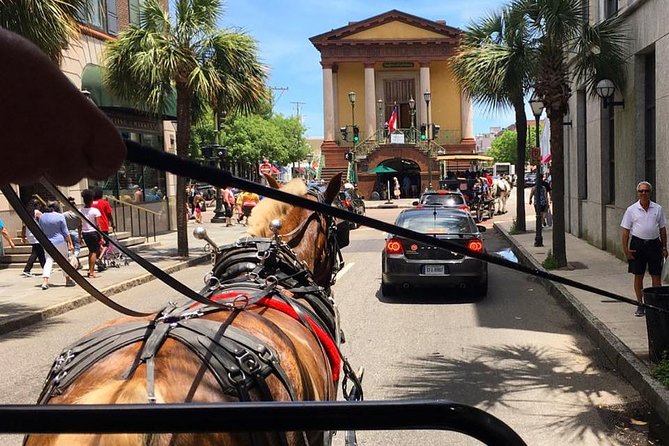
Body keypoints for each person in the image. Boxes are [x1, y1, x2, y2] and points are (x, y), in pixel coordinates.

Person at [621, 181, 668, 317]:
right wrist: (626, 250)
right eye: (641, 191)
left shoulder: (658, 209)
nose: (643, 193)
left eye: (646, 191)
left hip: (654, 245)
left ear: (650, 192)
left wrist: (664, 247)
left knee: (656, 275)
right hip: (638, 245)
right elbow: (625, 232)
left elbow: (662, 229)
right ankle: (640, 305)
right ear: (638, 193)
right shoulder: (631, 210)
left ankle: (655, 305)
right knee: (638, 275)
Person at [38, 201, 74, 290]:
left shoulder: (42, 217)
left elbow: (41, 229)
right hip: (60, 241)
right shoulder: (59, 216)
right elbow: (65, 232)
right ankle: (67, 279)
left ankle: (45, 281)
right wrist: (70, 243)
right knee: (64, 260)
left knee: (48, 260)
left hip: (48, 242)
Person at [79, 189, 102, 279]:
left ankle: (90, 269)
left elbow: (79, 224)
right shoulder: (95, 211)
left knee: (90, 251)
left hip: (85, 233)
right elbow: (97, 224)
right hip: (93, 232)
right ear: (92, 199)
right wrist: (101, 235)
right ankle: (92, 272)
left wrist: (79, 236)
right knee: (94, 252)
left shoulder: (80, 210)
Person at [20, 199, 45, 277]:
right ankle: (27, 269)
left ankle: (45, 268)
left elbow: (23, 226)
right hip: (37, 234)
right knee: (36, 252)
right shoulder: (37, 213)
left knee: (39, 252)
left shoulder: (26, 214)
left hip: (30, 234)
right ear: (37, 205)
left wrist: (23, 236)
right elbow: (43, 222)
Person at [92, 187, 114, 271]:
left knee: (97, 245)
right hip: (103, 226)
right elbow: (109, 214)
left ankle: (100, 263)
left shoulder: (91, 203)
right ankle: (100, 258)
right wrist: (112, 223)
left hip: (93, 226)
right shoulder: (105, 203)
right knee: (106, 244)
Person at [63, 197, 83, 270]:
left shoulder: (64, 215)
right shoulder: (77, 215)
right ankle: (73, 260)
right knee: (77, 248)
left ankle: (77, 263)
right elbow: (80, 226)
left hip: (67, 232)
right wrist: (80, 236)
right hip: (75, 232)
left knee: (71, 248)